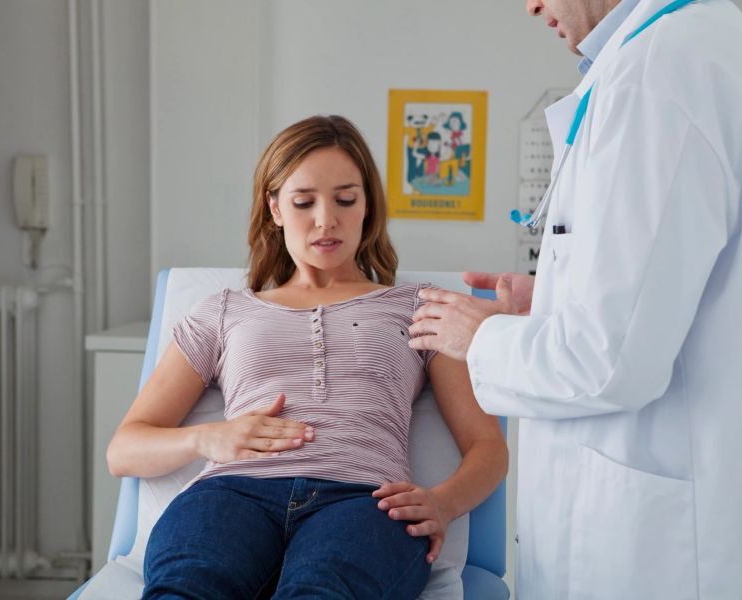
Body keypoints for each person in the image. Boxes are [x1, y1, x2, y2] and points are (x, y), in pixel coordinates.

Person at [408, 0, 742, 598]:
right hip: (733, 506)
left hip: (663, 547)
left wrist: (476, 338)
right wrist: (556, 297)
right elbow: (698, 287)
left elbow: (605, 360)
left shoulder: (656, 78)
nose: (530, 5)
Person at [106, 115, 508, 600]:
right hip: (231, 495)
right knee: (188, 589)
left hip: (365, 503)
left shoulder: (423, 308)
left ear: (367, 208)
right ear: (274, 207)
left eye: (345, 199)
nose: (326, 220)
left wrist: (443, 504)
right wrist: (210, 439)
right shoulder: (223, 312)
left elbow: (488, 447)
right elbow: (124, 450)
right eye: (303, 202)